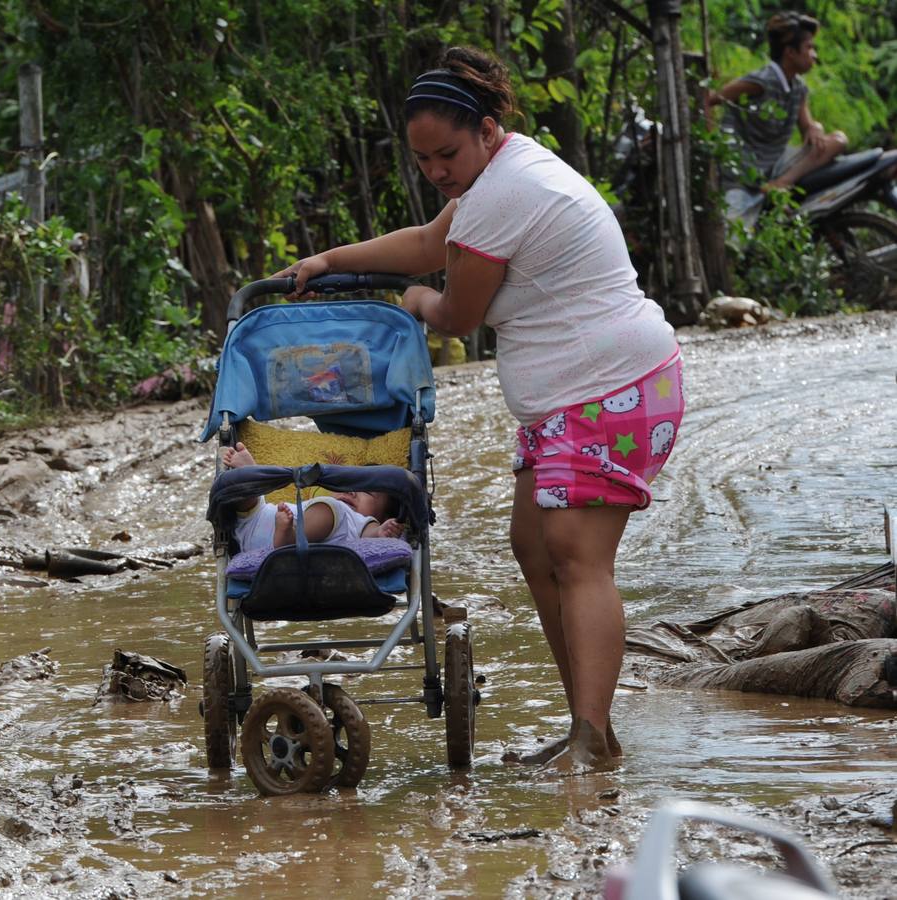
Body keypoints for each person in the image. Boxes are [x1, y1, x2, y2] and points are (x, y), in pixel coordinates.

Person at [276, 46, 685, 770]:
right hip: (574, 394)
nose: (436, 170)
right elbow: (433, 242)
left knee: (577, 558)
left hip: (606, 388)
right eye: (424, 160)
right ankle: (588, 730)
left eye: (447, 154)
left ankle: (590, 740)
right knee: (533, 546)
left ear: (488, 130)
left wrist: (414, 302)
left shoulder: (505, 189)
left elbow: (458, 313)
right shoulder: (499, 173)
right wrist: (331, 260)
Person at [705, 11, 848, 220]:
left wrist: (814, 127)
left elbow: (806, 124)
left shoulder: (798, 87)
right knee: (734, 246)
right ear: (790, 51)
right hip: (741, 176)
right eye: (809, 47)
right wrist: (714, 148)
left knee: (838, 140)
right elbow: (709, 100)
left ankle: (781, 184)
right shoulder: (760, 81)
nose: (814, 55)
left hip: (774, 166)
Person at [221, 442, 404, 551]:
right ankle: (251, 477)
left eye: (367, 491)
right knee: (246, 499)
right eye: (347, 483)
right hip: (256, 521)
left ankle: (290, 539)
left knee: (335, 510)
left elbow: (371, 533)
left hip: (277, 538)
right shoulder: (332, 507)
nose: (351, 491)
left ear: (384, 517)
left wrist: (382, 532)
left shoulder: (359, 523)